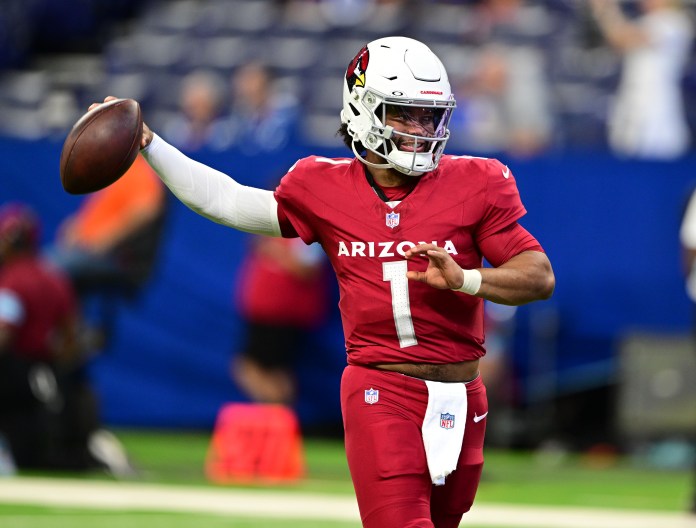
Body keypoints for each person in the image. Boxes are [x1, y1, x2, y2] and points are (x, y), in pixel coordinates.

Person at [93, 36, 555, 527]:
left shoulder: (477, 181)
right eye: (404, 114)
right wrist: (152, 144)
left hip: (464, 395)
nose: (421, 130)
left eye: (429, 116)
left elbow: (537, 275)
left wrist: (465, 278)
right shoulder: (321, 185)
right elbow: (227, 201)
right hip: (383, 388)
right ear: (363, 109)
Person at [0, 203, 133, 476]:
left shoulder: (12, 281)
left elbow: (4, 334)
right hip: (47, 373)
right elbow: (71, 335)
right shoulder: (55, 278)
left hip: (16, 373)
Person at [46, 154, 167, 344]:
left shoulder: (139, 170)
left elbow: (147, 209)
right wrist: (77, 226)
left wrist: (106, 240)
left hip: (114, 258)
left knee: (47, 266)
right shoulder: (114, 170)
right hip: (85, 250)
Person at [231, 236, 331, 404]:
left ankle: (278, 416)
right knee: (270, 369)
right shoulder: (272, 228)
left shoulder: (309, 235)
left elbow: (307, 269)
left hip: (282, 312)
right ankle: (277, 419)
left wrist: (275, 251)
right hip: (264, 310)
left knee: (263, 369)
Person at [589, 0, 694, 160]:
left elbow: (626, 37)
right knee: (628, 159)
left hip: (658, 103)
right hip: (631, 98)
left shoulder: (675, 22)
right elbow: (617, 41)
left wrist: (607, 10)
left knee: (660, 159)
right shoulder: (643, 22)